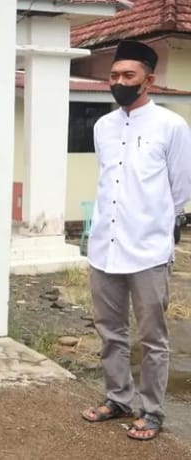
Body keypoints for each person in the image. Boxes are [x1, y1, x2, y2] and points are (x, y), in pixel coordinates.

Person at [80, 40, 191, 441]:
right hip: (105, 248)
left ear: (149, 80)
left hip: (148, 250)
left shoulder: (172, 126)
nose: (119, 82)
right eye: (114, 75)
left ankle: (153, 411)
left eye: (129, 75)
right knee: (110, 331)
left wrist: (155, 226)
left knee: (152, 338)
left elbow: (180, 190)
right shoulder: (103, 127)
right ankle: (118, 398)